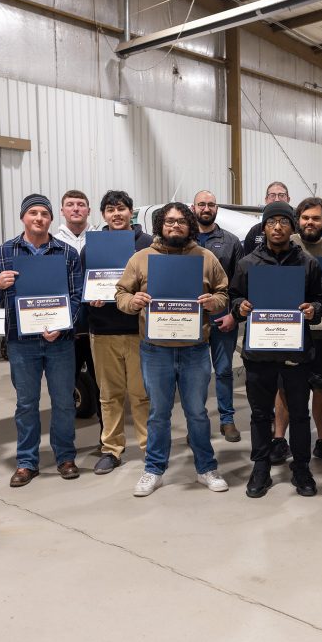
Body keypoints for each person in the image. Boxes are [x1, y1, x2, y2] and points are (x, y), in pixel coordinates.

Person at [115, 202, 231, 497]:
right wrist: (133, 302)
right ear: (160, 226)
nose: (175, 226)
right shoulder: (141, 258)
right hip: (155, 350)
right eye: (169, 221)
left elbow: (223, 293)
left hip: (195, 349)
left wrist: (213, 302)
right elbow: (121, 293)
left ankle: (206, 468)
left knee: (197, 413)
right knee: (158, 413)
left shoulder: (205, 258)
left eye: (181, 221)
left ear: (190, 225)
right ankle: (153, 470)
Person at [0, 194, 84, 487]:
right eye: (33, 213)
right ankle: (27, 462)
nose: (39, 218)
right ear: (23, 218)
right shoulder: (3, 252)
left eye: (44, 213)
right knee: (26, 403)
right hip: (21, 341)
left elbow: (78, 296)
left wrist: (63, 325)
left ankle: (65, 457)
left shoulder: (66, 253)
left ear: (51, 219)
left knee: (65, 402)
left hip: (60, 341)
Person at [231, 202, 322, 497]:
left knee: (298, 413)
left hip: (296, 351)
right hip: (259, 352)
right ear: (264, 228)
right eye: (272, 222)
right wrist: (239, 307)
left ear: (292, 226)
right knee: (260, 414)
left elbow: (321, 301)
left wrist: (313, 309)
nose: (277, 227)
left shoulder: (307, 263)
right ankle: (260, 468)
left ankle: (301, 467)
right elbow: (233, 297)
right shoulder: (247, 263)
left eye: (284, 221)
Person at [85, 190, 153, 475]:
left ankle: (151, 448)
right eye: (110, 209)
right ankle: (111, 449)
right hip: (102, 330)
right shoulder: (91, 247)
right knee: (109, 394)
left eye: (122, 208)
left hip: (138, 329)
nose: (116, 214)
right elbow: (79, 285)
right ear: (103, 215)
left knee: (141, 394)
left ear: (131, 212)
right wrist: (89, 296)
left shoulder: (148, 245)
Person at [287, 196, 322, 464]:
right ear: (298, 220)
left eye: (316, 218)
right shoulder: (286, 245)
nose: (310, 222)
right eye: (306, 217)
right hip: (288, 332)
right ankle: (279, 439)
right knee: (284, 389)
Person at [191, 190, 243, 442]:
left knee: (223, 371)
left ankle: (227, 420)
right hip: (190, 321)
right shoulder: (183, 240)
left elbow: (238, 284)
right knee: (197, 375)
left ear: (216, 209)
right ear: (193, 208)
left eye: (210, 204)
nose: (206, 208)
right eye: (201, 204)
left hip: (223, 319)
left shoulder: (232, 242)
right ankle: (197, 424)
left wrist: (233, 315)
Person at [54, 189, 105, 440]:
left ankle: (106, 442)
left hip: (98, 326)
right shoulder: (53, 244)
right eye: (70, 205)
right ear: (62, 210)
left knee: (103, 389)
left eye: (81, 204)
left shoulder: (102, 241)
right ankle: (65, 447)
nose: (76, 208)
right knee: (64, 390)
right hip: (67, 331)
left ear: (88, 210)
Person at [242, 181, 291, 255]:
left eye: (281, 195)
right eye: (272, 195)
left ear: (288, 199)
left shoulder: (297, 230)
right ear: (266, 200)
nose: (277, 199)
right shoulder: (254, 232)